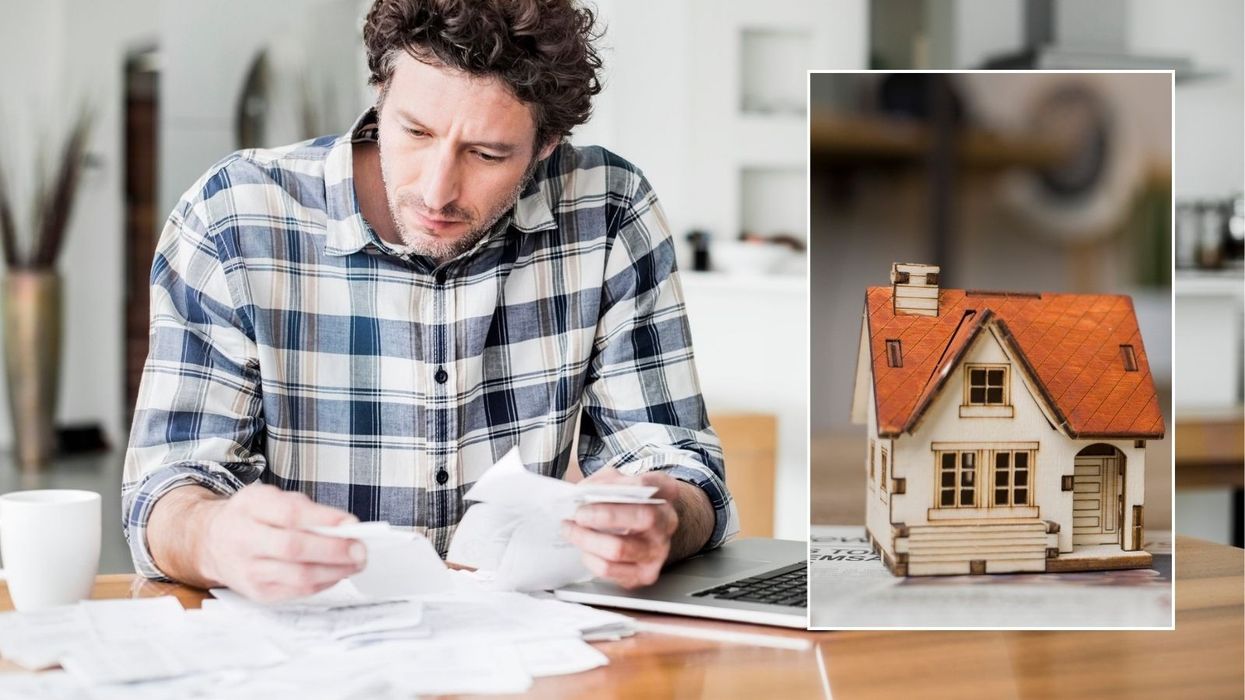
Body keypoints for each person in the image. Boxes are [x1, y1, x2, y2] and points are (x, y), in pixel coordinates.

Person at [122, 0, 737, 602]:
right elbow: (165, 488)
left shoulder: (606, 208)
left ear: (546, 145)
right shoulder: (234, 215)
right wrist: (213, 536)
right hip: (309, 647)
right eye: (415, 131)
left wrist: (660, 513)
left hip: (521, 649)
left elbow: (677, 460)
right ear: (380, 92)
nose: (437, 191)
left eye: (487, 154)